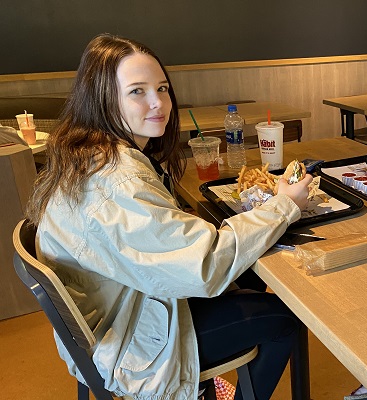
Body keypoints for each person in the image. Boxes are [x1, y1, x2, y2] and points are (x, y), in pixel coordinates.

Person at [25, 33, 313, 400]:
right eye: (137, 91)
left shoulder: (87, 152)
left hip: (123, 305)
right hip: (128, 342)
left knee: (248, 276)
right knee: (284, 319)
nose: (158, 103)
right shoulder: (118, 180)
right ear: (102, 98)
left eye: (162, 88)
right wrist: (284, 206)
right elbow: (206, 264)